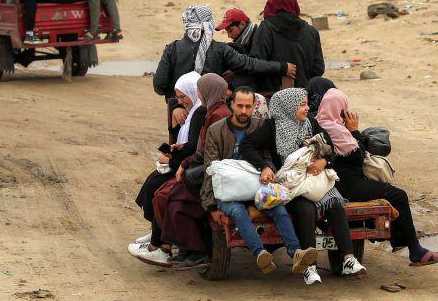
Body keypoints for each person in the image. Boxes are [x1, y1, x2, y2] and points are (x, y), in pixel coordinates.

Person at [240, 88, 366, 284]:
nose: (307, 108)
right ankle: (309, 267)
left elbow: (329, 147)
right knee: (306, 210)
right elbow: (247, 146)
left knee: (335, 204)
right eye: (302, 104)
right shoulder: (272, 127)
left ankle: (348, 259)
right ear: (288, 107)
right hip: (290, 186)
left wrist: (324, 162)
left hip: (315, 182)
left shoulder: (311, 124)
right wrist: (264, 166)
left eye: (307, 104)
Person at [316, 89, 438, 267]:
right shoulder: (336, 130)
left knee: (387, 194)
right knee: (398, 196)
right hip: (347, 186)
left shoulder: (317, 124)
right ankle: (415, 250)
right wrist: (354, 131)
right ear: (340, 109)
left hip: (331, 185)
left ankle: (400, 240)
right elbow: (358, 157)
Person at [203, 86, 318, 276]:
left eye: (248, 107)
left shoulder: (259, 126)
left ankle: (296, 252)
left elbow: (268, 156)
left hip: (257, 186)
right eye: (239, 106)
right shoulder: (216, 131)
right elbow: (210, 169)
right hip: (229, 191)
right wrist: (211, 206)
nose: (243, 111)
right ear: (231, 105)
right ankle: (260, 254)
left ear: (253, 107)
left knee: (278, 208)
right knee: (238, 212)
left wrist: (268, 168)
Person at [153, 5, 295, 136]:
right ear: (208, 25)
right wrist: (282, 67)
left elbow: (159, 85)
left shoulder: (172, 49)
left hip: (180, 116)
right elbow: (249, 64)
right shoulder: (220, 50)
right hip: (211, 114)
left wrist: (178, 103)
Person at [132, 72, 206, 267]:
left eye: (183, 97)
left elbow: (195, 146)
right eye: (179, 97)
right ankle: (157, 231)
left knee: (158, 189)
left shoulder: (200, 113)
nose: (180, 101)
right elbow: (184, 139)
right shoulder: (192, 112)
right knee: (152, 182)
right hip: (186, 162)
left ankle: (160, 243)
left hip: (191, 165)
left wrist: (174, 157)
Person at [251, 0, 325, 93]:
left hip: (273, 97)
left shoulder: (266, 29)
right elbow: (318, 69)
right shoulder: (311, 31)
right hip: (304, 99)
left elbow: (255, 64)